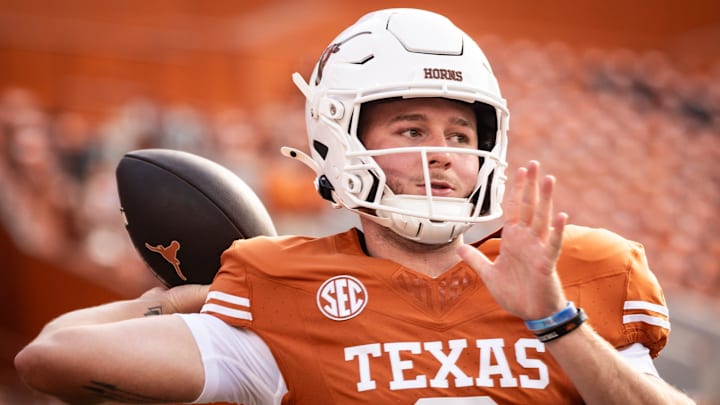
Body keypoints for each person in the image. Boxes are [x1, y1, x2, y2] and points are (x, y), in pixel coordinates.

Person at [14, 8, 695, 405]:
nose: (445, 154)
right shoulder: (278, 289)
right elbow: (50, 357)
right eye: (411, 130)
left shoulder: (583, 271)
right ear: (339, 140)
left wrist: (557, 321)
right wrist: (188, 298)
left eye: (461, 134)